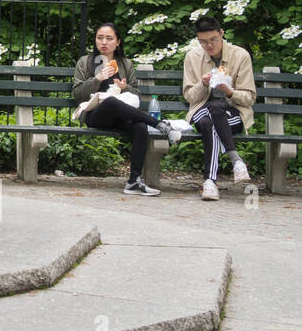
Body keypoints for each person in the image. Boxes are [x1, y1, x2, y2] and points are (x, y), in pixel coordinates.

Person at [72, 23, 182, 196]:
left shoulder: (125, 64)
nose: (104, 42)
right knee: (110, 102)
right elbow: (78, 95)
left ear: (118, 42)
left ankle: (134, 181)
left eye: (109, 38)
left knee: (139, 126)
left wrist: (125, 87)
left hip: (121, 116)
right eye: (100, 38)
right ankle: (161, 125)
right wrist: (97, 79)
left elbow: (136, 95)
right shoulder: (85, 62)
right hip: (94, 114)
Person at [183, 15, 256, 201]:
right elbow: (190, 97)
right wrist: (203, 84)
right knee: (212, 110)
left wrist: (229, 91)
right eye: (203, 42)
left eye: (213, 40)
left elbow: (249, 98)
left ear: (221, 33)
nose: (209, 45)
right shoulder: (192, 57)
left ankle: (209, 182)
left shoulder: (240, 55)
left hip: (233, 112)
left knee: (211, 120)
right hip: (201, 109)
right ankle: (236, 161)